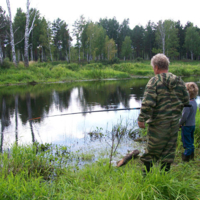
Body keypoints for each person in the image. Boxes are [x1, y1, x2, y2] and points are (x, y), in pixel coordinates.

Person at [138, 53, 189, 174]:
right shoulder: (179, 81)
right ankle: (164, 177)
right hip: (173, 124)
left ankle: (146, 179)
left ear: (156, 67)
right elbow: (186, 101)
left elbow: (147, 103)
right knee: (168, 152)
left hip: (158, 124)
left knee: (151, 152)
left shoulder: (154, 81)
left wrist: (141, 119)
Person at [179, 82, 199, 162]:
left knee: (186, 143)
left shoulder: (187, 104)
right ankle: (191, 157)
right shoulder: (194, 102)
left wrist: (179, 123)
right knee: (191, 141)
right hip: (192, 125)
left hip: (186, 126)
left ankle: (186, 158)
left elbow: (184, 117)